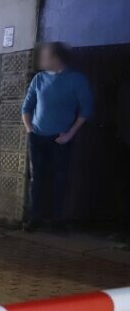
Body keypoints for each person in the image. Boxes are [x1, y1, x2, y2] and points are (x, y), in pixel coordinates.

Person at [21, 42, 93, 233]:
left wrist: (70, 133)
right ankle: (35, 217)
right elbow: (26, 107)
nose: (42, 60)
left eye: (45, 56)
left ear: (56, 58)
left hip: (61, 139)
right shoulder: (39, 78)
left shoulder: (77, 80)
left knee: (60, 179)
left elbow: (86, 109)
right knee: (37, 178)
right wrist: (30, 129)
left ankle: (58, 221)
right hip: (37, 137)